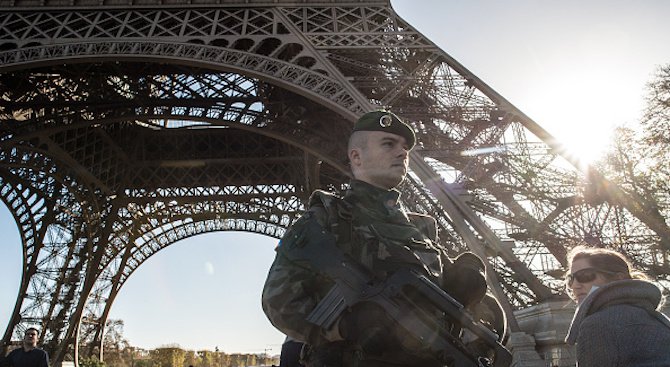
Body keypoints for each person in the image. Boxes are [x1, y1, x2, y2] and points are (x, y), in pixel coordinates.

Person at [262, 110, 503, 367]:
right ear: (356, 156)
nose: (402, 152)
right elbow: (278, 301)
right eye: (389, 144)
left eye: (405, 148)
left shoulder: (422, 229)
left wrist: (463, 283)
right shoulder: (325, 219)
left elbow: (444, 293)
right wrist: (344, 327)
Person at [564, 245, 670, 366]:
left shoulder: (597, 324)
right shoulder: (658, 320)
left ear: (618, 278)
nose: (574, 286)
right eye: (570, 279)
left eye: (585, 276)